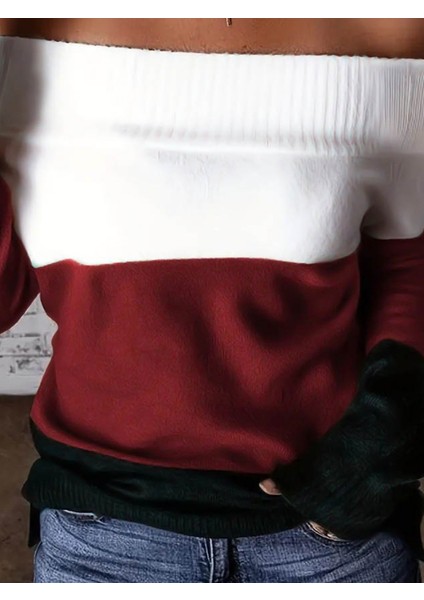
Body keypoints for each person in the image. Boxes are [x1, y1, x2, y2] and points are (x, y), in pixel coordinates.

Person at [0, 17, 424, 583]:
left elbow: (408, 259)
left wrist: (383, 440)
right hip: (101, 534)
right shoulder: (21, 35)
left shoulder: (388, 27)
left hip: (329, 540)